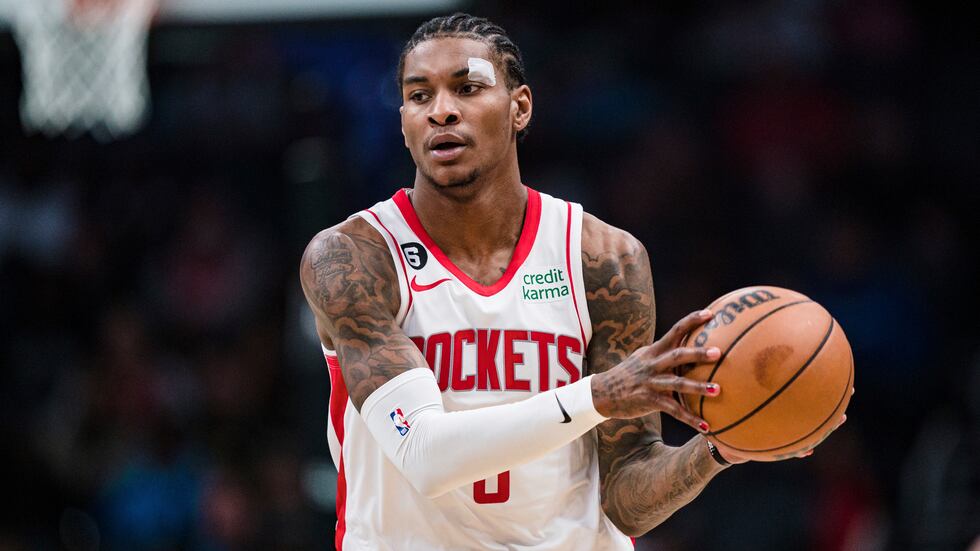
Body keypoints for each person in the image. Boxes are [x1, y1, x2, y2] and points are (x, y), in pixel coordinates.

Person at [299, 13, 843, 550]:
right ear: (402, 122)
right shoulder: (354, 257)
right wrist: (601, 394)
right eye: (420, 96)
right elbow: (425, 454)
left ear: (520, 108)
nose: (442, 111)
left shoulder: (604, 259)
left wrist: (720, 450)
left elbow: (626, 494)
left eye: (467, 88)